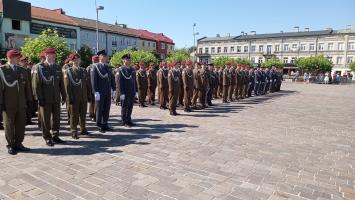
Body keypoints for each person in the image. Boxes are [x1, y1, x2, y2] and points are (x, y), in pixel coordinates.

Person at [0, 49, 32, 155]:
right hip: (8, 103)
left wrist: (29, 100)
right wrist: (1, 103)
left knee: (21, 124)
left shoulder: (22, 70)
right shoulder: (2, 70)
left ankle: (18, 143)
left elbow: (27, 87)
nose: (19, 58)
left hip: (21, 103)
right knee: (9, 125)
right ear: (10, 58)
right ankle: (10, 145)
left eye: (19, 56)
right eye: (16, 57)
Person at [33, 48, 66, 146]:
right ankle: (47, 137)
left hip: (56, 97)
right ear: (47, 55)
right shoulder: (39, 67)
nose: (54, 56)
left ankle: (55, 135)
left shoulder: (57, 67)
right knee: (45, 119)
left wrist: (64, 95)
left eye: (54, 54)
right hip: (45, 98)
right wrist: (39, 97)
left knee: (56, 118)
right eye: (52, 54)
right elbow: (36, 84)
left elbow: (61, 84)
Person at [64, 53, 91, 139]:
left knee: (83, 114)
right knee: (74, 115)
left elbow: (87, 84)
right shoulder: (68, 71)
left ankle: (83, 129)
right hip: (74, 97)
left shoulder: (83, 70)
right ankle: (74, 130)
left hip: (83, 96)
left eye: (78, 59)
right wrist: (69, 97)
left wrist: (89, 95)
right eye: (75, 59)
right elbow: (67, 86)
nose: (77, 61)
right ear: (72, 61)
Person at [90, 50, 116, 132]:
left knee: (107, 108)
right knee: (99, 108)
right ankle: (99, 124)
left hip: (107, 91)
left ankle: (105, 123)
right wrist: (95, 91)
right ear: (100, 57)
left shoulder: (108, 67)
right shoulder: (95, 67)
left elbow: (111, 78)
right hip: (99, 92)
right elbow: (93, 80)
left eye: (106, 56)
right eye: (104, 56)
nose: (106, 57)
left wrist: (113, 89)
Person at [116, 54, 136, 127]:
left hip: (131, 91)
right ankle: (124, 121)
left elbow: (134, 81)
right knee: (124, 107)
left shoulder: (132, 69)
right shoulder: (120, 69)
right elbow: (118, 82)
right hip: (124, 92)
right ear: (123, 60)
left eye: (129, 60)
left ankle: (129, 119)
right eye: (127, 60)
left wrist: (135, 91)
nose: (129, 61)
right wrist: (121, 93)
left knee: (130, 106)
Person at [87, 55, 99, 121]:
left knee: (96, 102)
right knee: (92, 102)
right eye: (95, 60)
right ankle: (92, 115)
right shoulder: (89, 67)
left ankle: (96, 114)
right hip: (91, 87)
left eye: (96, 59)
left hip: (98, 88)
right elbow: (87, 79)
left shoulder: (99, 66)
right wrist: (89, 88)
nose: (95, 61)